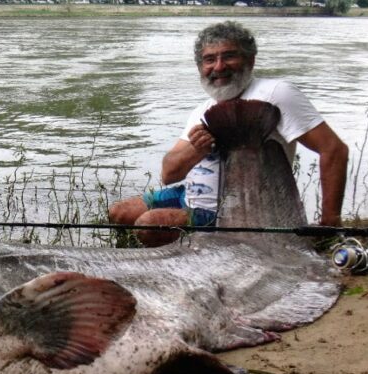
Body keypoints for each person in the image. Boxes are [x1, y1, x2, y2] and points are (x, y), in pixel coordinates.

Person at [108, 21, 349, 247]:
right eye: (209, 59)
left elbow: (334, 149)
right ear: (200, 67)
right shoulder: (202, 109)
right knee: (119, 212)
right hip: (189, 197)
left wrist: (329, 223)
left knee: (149, 225)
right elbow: (169, 174)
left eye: (229, 56)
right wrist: (197, 149)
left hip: (233, 210)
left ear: (251, 60)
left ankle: (192, 261)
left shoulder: (277, 93)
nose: (219, 66)